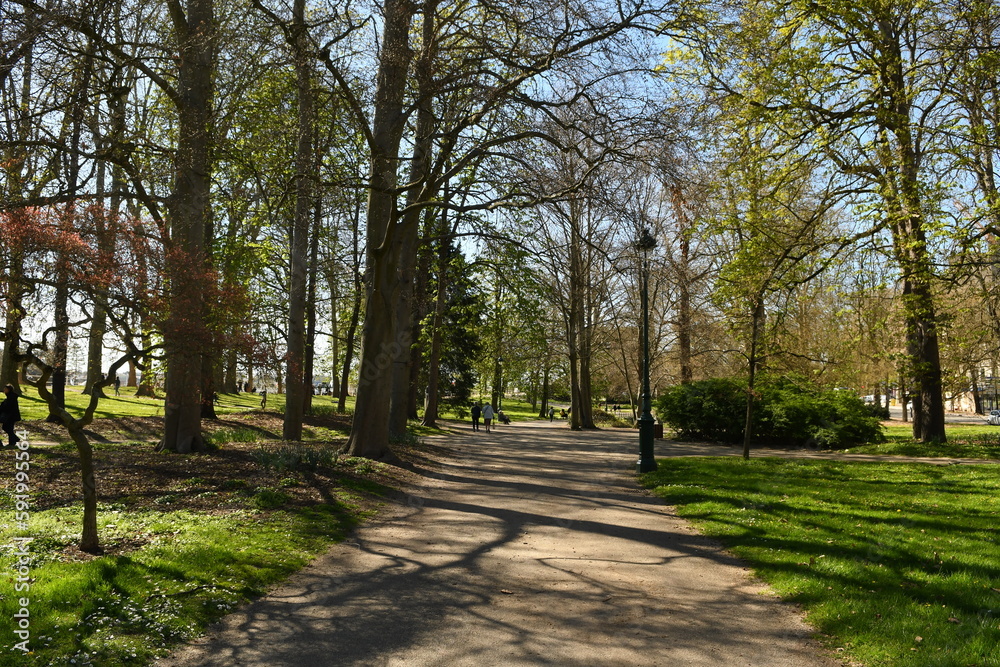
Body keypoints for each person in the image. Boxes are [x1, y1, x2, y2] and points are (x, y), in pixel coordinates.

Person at [0, 384, 22, 449]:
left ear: (9, 390)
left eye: (5, 389)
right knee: (7, 428)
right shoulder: (10, 397)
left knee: (8, 428)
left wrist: (2, 406)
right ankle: (14, 439)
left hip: (10, 416)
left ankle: (13, 441)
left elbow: (7, 407)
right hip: (10, 416)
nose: (4, 390)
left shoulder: (11, 398)